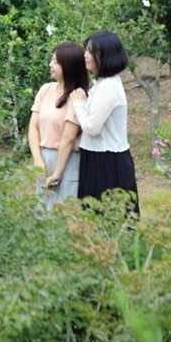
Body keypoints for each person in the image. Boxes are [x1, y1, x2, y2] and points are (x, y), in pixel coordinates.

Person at [45, 30, 139, 216]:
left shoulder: (108, 88)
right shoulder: (103, 84)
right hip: (98, 158)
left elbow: (92, 128)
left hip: (106, 162)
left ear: (105, 56)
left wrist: (78, 103)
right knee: (95, 218)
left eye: (90, 51)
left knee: (107, 218)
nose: (85, 55)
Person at [28, 41, 90, 206]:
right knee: (43, 212)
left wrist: (58, 172)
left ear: (69, 66)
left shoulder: (77, 95)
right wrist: (37, 160)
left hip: (66, 159)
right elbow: (33, 127)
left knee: (63, 212)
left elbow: (68, 138)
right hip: (44, 157)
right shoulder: (45, 89)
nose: (51, 65)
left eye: (56, 62)